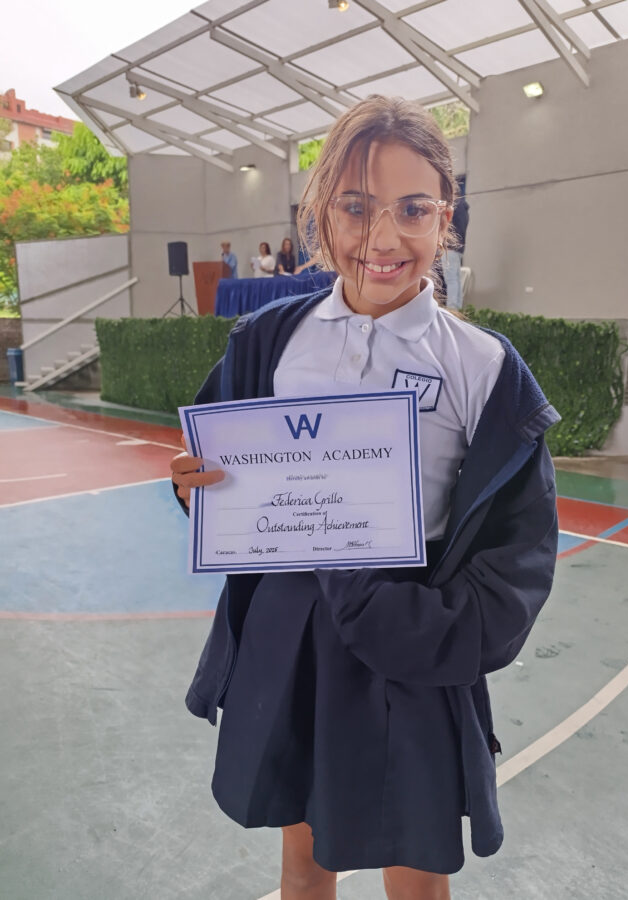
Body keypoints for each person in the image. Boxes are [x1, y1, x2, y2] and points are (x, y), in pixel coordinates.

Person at [171, 95, 559, 900]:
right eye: (355, 207)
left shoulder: (483, 366)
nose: (382, 239)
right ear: (321, 215)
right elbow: (221, 482)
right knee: (303, 864)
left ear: (445, 218)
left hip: (411, 649)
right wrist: (195, 488)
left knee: (414, 878)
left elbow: (518, 556)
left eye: (412, 209)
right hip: (289, 644)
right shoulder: (268, 342)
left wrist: (414, 626)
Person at [443, 182, 469, 310]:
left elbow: (452, 228)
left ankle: (452, 308)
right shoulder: (463, 208)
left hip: (451, 248)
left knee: (451, 279)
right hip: (458, 249)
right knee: (456, 279)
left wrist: (448, 243)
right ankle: (457, 307)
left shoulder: (455, 206)